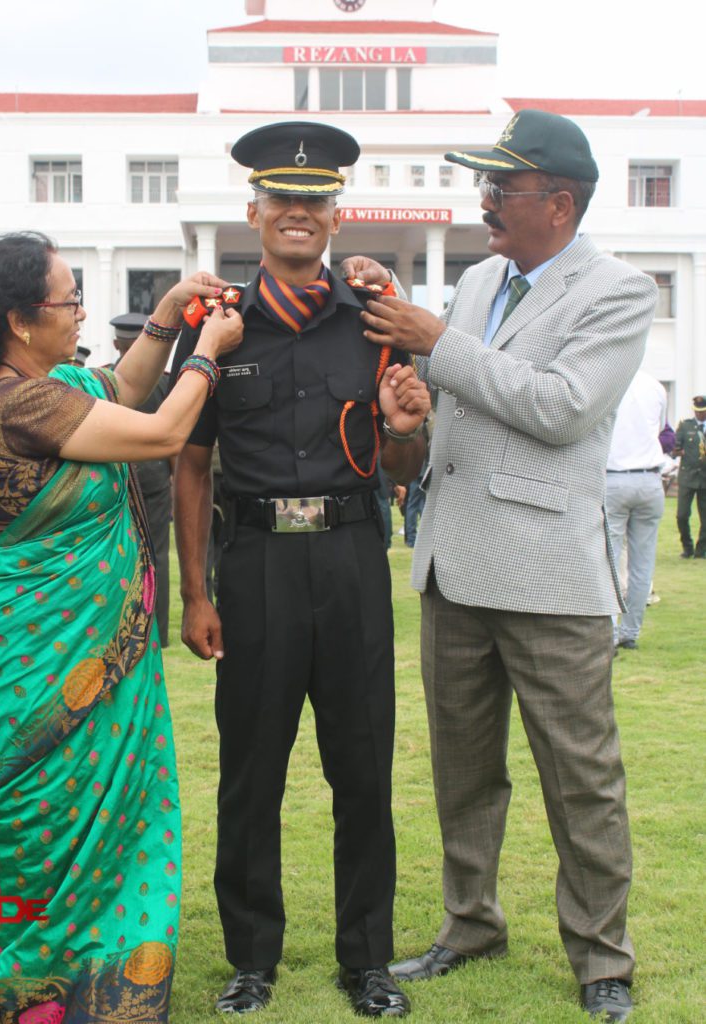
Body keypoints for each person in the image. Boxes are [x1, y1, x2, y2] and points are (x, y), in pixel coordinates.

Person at [349, 110, 658, 1023]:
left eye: (501, 188)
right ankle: (469, 921)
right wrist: (415, 405)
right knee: (463, 770)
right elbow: (472, 396)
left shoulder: (618, 290)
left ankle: (602, 956)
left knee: (580, 777)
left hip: (550, 577)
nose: (483, 201)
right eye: (484, 184)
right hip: (451, 565)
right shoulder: (483, 277)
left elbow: (559, 407)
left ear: (557, 204)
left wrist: (434, 343)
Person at [0, 230, 242, 1024]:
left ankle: (64, 989)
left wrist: (168, 320)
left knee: (73, 821)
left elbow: (120, 387)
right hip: (37, 656)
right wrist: (206, 349)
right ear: (20, 319)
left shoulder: (48, 383)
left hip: (68, 653)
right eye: (68, 299)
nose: (79, 311)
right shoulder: (23, 401)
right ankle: (17, 991)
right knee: (38, 816)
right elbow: (162, 432)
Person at [171, 121, 429, 1018]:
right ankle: (251, 958)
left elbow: (399, 468)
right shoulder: (215, 328)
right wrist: (196, 592)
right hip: (252, 570)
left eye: (312, 201)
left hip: (353, 560)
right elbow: (190, 463)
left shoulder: (374, 324)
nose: (296, 213)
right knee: (251, 773)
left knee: (361, 771)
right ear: (253, 212)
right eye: (280, 200)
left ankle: (367, 960)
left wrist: (404, 431)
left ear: (333, 215)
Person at [107, 312, 174, 646]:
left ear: (116, 344)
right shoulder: (163, 380)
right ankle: (157, 631)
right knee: (158, 551)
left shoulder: (106, 377)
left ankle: (124, 625)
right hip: (156, 471)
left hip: (118, 472)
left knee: (120, 550)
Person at [605, 371, 667, 649]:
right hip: (650, 479)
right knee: (643, 562)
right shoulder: (655, 387)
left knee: (609, 560)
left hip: (615, 478)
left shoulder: (609, 381)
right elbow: (660, 428)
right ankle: (631, 633)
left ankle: (611, 631)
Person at [673, 394, 706, 557]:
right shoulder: (685, 426)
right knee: (682, 515)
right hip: (687, 477)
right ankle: (687, 547)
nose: (700, 414)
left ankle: (701, 551)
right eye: (697, 411)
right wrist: (677, 451)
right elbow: (674, 447)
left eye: (703, 411)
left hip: (705, 479)